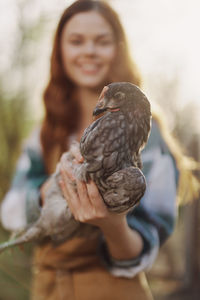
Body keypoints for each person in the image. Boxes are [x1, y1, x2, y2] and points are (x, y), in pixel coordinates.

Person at [0, 1, 198, 299]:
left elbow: (149, 246)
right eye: (76, 41)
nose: (89, 50)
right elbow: (10, 213)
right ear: (60, 51)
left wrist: (113, 224)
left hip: (114, 289)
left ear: (119, 48)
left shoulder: (151, 137)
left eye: (102, 41)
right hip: (49, 289)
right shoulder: (45, 131)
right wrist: (53, 187)